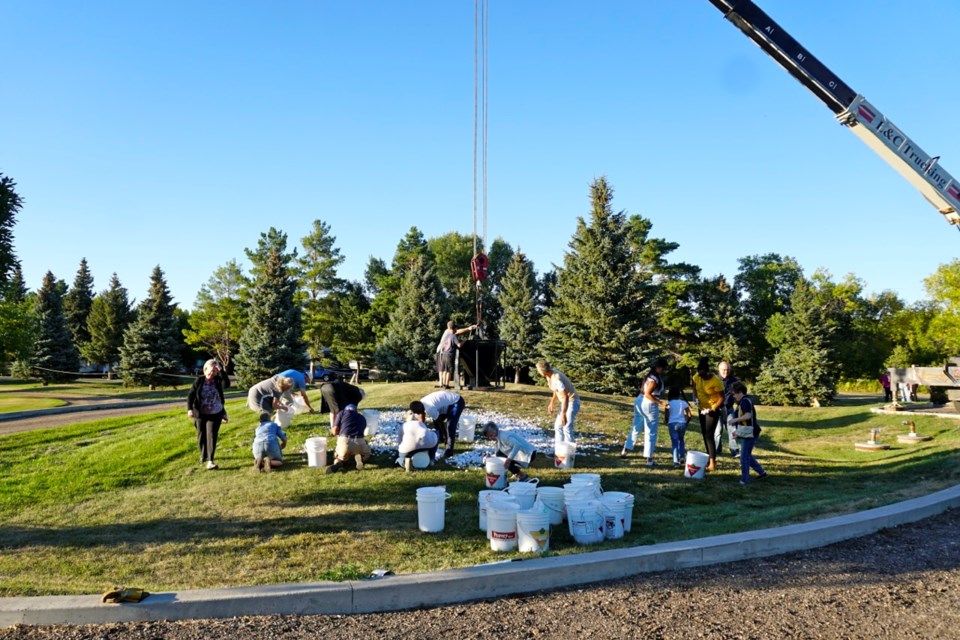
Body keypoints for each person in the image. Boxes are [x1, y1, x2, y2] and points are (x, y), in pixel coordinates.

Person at [622, 358, 668, 467]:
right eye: (663, 369)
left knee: (636, 427)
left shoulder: (649, 375)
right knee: (651, 431)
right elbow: (648, 394)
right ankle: (649, 459)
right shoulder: (654, 379)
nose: (664, 371)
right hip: (649, 404)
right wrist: (661, 403)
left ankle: (625, 450)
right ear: (658, 367)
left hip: (639, 400)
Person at [186, 359, 229, 470]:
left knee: (211, 436)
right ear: (205, 370)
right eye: (211, 370)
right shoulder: (199, 381)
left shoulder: (218, 380)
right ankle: (203, 455)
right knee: (201, 435)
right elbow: (191, 395)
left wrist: (220, 370)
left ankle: (210, 461)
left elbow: (227, 384)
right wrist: (190, 409)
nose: (212, 373)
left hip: (215, 412)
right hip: (200, 413)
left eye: (214, 371)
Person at [728, 381, 767, 485]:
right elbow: (745, 422)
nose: (733, 396)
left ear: (740, 392)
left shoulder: (745, 401)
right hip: (749, 432)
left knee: (744, 457)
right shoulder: (743, 402)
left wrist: (734, 420)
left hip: (752, 432)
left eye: (734, 394)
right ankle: (762, 472)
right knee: (747, 455)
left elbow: (748, 416)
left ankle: (744, 479)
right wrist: (738, 432)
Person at [536, 360, 580, 445]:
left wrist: (563, 414)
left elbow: (565, 396)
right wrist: (552, 402)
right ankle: (559, 450)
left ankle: (568, 453)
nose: (538, 372)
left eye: (538, 370)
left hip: (572, 401)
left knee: (566, 427)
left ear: (542, 371)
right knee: (558, 426)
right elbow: (556, 390)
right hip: (567, 401)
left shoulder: (557, 379)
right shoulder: (550, 375)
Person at [693, 357, 724, 472]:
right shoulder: (697, 377)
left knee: (709, 435)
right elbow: (694, 387)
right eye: (699, 374)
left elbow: (722, 398)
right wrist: (695, 398)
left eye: (703, 375)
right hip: (702, 408)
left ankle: (712, 463)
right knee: (704, 434)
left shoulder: (716, 381)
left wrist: (713, 408)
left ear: (708, 371)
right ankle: (708, 458)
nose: (701, 377)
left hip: (713, 409)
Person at [420, 389, 466, 459]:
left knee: (450, 427)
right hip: (447, 404)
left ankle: (449, 451)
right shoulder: (421, 403)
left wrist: (445, 435)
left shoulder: (429, 408)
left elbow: (440, 422)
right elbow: (423, 417)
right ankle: (441, 438)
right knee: (435, 420)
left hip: (457, 402)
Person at [397, 401, 440, 472]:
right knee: (436, 433)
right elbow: (426, 434)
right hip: (426, 445)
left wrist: (401, 452)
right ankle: (431, 459)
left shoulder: (403, 426)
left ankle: (404, 462)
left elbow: (399, 440)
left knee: (400, 457)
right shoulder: (421, 424)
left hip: (409, 448)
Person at [327, 404, 370, 473]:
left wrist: (334, 432)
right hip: (360, 442)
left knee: (339, 456)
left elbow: (335, 431)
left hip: (345, 442)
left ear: (346, 409)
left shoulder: (342, 413)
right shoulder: (362, 417)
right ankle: (360, 458)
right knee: (366, 453)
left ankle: (338, 463)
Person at [436, 321, 476, 389]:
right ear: (454, 328)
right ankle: (445, 384)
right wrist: (468, 329)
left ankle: (442, 384)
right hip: (445, 352)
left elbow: (458, 331)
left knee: (443, 369)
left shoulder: (447, 333)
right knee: (448, 370)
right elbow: (459, 341)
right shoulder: (451, 333)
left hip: (443, 352)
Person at [252, 398, 287, 472]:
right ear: (269, 419)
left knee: (258, 457)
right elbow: (283, 436)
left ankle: (259, 461)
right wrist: (284, 444)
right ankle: (269, 461)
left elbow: (254, 439)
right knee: (279, 462)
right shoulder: (273, 425)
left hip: (257, 445)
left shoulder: (258, 428)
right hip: (270, 443)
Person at [663, 386, 692, 469]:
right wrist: (687, 422)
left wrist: (667, 421)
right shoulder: (683, 403)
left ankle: (676, 462)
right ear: (679, 394)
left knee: (674, 443)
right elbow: (689, 414)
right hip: (682, 423)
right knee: (681, 440)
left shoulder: (668, 403)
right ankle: (682, 456)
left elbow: (666, 416)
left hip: (672, 423)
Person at [717, 360, 740, 459]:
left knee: (732, 429)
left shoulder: (734, 380)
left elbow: (739, 393)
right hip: (717, 409)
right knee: (718, 431)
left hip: (729, 408)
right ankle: (717, 450)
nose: (725, 372)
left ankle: (734, 450)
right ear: (719, 370)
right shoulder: (715, 379)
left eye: (727, 370)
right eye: (723, 370)